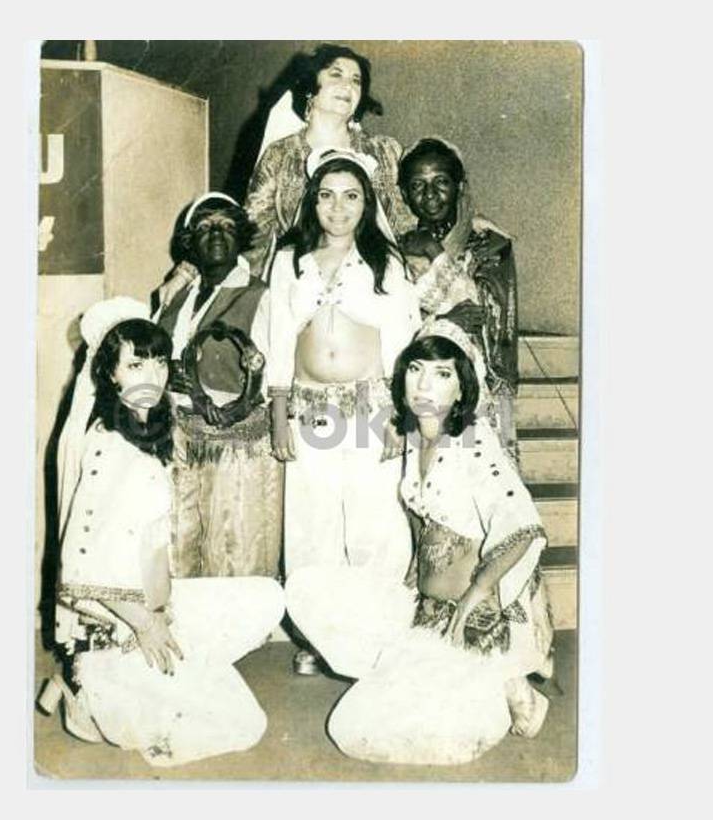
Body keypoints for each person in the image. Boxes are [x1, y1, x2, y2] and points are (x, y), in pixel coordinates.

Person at [285, 318, 554, 765]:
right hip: (430, 611)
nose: (425, 385)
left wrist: (475, 596)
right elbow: (422, 516)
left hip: (474, 615)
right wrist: (415, 573)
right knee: (315, 600)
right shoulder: (415, 433)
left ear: (462, 389)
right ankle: (492, 677)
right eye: (416, 369)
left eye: (442, 373)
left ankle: (510, 681)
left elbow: (523, 528)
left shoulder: (475, 443)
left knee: (421, 736)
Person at [39, 297, 285, 767]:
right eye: (135, 365)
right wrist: (146, 624)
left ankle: (117, 682)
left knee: (265, 598)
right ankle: (85, 690)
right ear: (111, 375)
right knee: (239, 725)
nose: (151, 376)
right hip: (123, 627)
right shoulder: (109, 447)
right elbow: (81, 566)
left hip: (158, 610)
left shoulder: (147, 429)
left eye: (158, 362)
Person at [266, 148, 420, 669]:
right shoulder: (290, 260)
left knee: (374, 523)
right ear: (312, 202)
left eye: (351, 196)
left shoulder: (386, 262)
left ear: (367, 203)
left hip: (370, 407)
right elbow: (279, 336)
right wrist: (279, 412)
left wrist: (400, 416)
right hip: (310, 411)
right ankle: (321, 638)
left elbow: (402, 341)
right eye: (327, 196)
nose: (338, 207)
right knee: (313, 525)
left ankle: (376, 639)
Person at [155, 45, 415, 307]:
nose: (348, 85)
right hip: (302, 292)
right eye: (336, 74)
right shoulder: (280, 155)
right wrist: (188, 272)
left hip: (375, 289)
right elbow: (250, 232)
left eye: (356, 80)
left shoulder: (383, 151)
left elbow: (406, 227)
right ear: (311, 88)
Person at [153, 193, 283, 579]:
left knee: (232, 545)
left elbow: (273, 372)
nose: (216, 234)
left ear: (241, 237)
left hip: (234, 442)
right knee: (179, 543)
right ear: (189, 241)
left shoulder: (258, 295)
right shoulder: (176, 294)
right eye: (205, 227)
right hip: (177, 438)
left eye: (227, 226)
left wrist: (230, 406)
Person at [397, 137, 520, 459]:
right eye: (418, 185)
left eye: (441, 182)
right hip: (421, 383)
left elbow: (481, 315)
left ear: (460, 186)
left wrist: (433, 251)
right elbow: (394, 317)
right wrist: (443, 321)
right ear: (404, 194)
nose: (430, 195)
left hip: (478, 382)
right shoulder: (396, 247)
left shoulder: (489, 245)